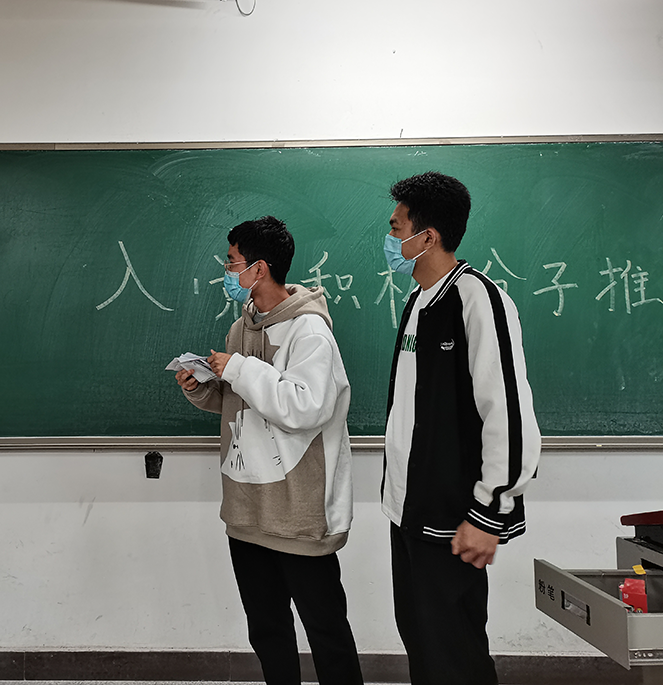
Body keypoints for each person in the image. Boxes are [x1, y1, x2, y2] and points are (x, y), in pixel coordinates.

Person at [176, 216, 363, 685]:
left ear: (258, 268)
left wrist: (238, 369)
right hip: (248, 509)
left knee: (325, 630)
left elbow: (304, 407)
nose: (226, 270)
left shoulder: (309, 332)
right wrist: (204, 387)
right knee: (266, 629)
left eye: (231, 262)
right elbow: (242, 402)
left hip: (298, 514)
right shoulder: (240, 329)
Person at [381, 172, 542, 685]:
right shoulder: (418, 300)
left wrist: (490, 512)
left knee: (455, 656)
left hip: (455, 518)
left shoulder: (478, 299)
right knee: (424, 645)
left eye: (396, 227)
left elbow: (508, 412)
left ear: (427, 236)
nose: (389, 238)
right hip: (409, 512)